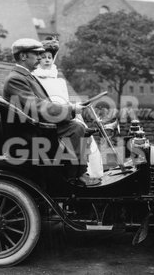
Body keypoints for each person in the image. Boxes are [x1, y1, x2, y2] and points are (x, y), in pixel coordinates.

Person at [3, 38, 100, 186]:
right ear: (23, 56)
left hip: (36, 126)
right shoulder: (16, 79)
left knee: (77, 126)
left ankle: (78, 174)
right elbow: (38, 107)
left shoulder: (25, 76)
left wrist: (69, 108)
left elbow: (44, 105)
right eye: (36, 54)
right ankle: (72, 178)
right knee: (76, 127)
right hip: (30, 132)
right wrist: (71, 109)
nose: (40, 58)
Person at [32, 37, 104, 178]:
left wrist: (74, 113)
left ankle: (88, 171)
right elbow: (43, 105)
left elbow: (65, 102)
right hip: (49, 118)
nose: (47, 60)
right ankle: (76, 172)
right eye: (44, 57)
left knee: (82, 130)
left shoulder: (59, 80)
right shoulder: (35, 78)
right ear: (38, 60)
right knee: (77, 129)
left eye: (50, 57)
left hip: (63, 115)